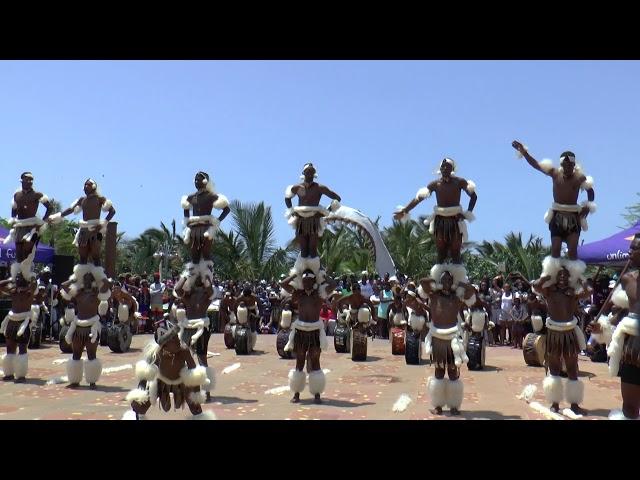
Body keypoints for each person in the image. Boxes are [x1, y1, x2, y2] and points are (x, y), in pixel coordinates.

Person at [122, 320, 215, 420]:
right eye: (174, 339)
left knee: (195, 407)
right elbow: (145, 376)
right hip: (160, 381)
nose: (178, 340)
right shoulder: (157, 354)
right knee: (139, 406)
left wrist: (196, 395)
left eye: (177, 336)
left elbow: (194, 374)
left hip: (181, 382)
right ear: (164, 345)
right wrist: (140, 394)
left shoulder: (184, 350)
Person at [394, 158, 477, 264]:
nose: (445, 168)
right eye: (443, 166)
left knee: (456, 253)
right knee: (441, 253)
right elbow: (418, 198)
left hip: (455, 220)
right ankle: (438, 277)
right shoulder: (435, 184)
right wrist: (405, 210)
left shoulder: (459, 182)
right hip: (440, 221)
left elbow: (473, 196)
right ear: (440, 168)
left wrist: (467, 213)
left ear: (452, 169)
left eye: (448, 166)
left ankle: (458, 277)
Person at [532, 267, 591, 415]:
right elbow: (536, 286)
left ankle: (574, 404)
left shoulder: (573, 292)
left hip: (569, 333)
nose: (563, 277)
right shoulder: (549, 291)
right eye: (559, 274)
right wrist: (545, 277)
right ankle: (555, 403)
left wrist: (580, 279)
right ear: (555, 277)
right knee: (554, 368)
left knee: (572, 368)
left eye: (566, 274)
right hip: (553, 333)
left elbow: (589, 291)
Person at [419, 270, 476, 415]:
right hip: (437, 338)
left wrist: (460, 282)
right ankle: (438, 405)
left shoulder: (456, 298)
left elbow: (471, 292)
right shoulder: (433, 295)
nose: (446, 283)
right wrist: (435, 279)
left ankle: (454, 406)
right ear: (439, 281)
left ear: (452, 282)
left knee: (452, 372)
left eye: (449, 280)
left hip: (452, 339)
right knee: (438, 372)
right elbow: (422, 283)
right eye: (444, 280)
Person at [280, 269, 336, 404]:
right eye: (303, 281)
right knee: (299, 361)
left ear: (313, 281)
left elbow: (333, 285)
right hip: (301, 331)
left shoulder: (319, 294)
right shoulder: (298, 294)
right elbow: (283, 284)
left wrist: (323, 275)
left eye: (308, 281)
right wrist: (295, 274)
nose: (305, 283)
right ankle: (296, 393)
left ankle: (317, 393)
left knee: (315, 361)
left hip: (314, 331)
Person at [600, 234, 640, 419]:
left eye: (635, 249)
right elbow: (619, 311)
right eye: (630, 248)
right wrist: (601, 327)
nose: (630, 252)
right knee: (630, 408)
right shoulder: (626, 279)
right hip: (632, 350)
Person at [60, 272, 112, 389]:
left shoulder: (96, 294)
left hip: (91, 327)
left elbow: (109, 283)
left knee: (91, 355)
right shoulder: (78, 294)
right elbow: (63, 286)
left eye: (89, 279)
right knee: (76, 354)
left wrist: (101, 278)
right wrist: (73, 279)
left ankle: (92, 381)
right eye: (85, 279)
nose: (87, 281)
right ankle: (74, 380)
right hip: (78, 327)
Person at [49, 179, 116, 266]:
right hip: (83, 230)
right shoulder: (82, 199)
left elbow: (112, 211)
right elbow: (71, 209)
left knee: (95, 256)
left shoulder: (100, 199)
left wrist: (103, 224)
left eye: (89, 185)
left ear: (94, 187)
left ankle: (98, 277)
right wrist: (57, 216)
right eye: (85, 185)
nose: (86, 186)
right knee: (83, 257)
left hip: (95, 229)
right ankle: (81, 277)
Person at [284, 163, 341, 261]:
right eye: (307, 171)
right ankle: (303, 269)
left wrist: (327, 211)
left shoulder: (320, 188)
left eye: (311, 171)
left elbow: (337, 198)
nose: (309, 173)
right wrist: (291, 211)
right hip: (301, 220)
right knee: (304, 250)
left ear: (314, 173)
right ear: (303, 173)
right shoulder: (297, 187)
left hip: (314, 220)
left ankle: (315, 270)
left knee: (312, 249)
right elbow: (287, 198)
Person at [173, 273, 215, 402]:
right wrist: (185, 275)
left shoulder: (206, 295)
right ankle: (180, 387)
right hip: (187, 328)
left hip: (201, 328)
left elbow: (210, 290)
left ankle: (206, 391)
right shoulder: (187, 294)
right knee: (181, 356)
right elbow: (177, 289)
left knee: (202, 359)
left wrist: (206, 275)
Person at [3, 172, 53, 281]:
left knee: (28, 248)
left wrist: (43, 222)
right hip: (20, 225)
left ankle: (27, 274)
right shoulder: (17, 195)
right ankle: (21, 276)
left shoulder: (37, 195)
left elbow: (50, 207)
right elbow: (14, 210)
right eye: (27, 179)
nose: (29, 181)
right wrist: (13, 220)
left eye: (31, 180)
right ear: (22, 180)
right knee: (20, 254)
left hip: (32, 225)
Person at [181, 171, 230, 265]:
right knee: (194, 255)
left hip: (207, 228)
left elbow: (226, 209)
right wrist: (187, 220)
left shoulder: (211, 196)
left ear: (205, 181)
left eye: (198, 180)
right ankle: (193, 274)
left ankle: (207, 273)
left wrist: (218, 220)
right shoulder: (191, 197)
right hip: (193, 228)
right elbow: (185, 208)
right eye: (195, 180)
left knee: (206, 253)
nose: (196, 182)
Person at [0, 273, 39, 382]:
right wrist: (10, 279)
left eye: (20, 277)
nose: (18, 279)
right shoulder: (13, 291)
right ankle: (9, 373)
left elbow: (34, 284)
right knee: (9, 349)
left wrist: (30, 275)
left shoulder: (29, 292)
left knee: (22, 349)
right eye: (17, 277)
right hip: (12, 321)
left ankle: (21, 375)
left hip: (23, 322)